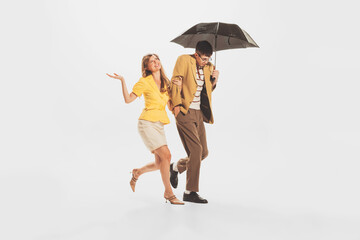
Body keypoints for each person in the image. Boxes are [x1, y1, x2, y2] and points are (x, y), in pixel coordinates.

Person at [106, 54, 184, 205]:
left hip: (159, 124)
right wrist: (122, 80)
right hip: (147, 123)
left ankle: (137, 173)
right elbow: (128, 100)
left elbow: (171, 107)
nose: (156, 62)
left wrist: (178, 89)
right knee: (167, 155)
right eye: (152, 61)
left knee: (160, 162)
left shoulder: (166, 84)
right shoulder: (144, 82)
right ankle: (168, 193)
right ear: (146, 67)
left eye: (157, 59)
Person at [169, 41, 219, 204]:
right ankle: (190, 192)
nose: (206, 61)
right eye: (203, 59)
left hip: (199, 113)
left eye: (208, 59)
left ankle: (176, 167)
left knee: (203, 152)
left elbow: (207, 91)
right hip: (185, 110)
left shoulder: (208, 67)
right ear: (196, 54)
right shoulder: (184, 60)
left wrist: (215, 80)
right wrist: (176, 106)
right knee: (196, 150)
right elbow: (175, 83)